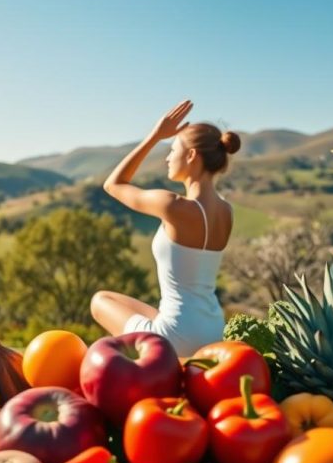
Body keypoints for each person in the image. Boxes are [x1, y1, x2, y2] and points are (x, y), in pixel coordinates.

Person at [90, 100, 240, 355]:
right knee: (151, 309)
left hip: (174, 339)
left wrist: (155, 136)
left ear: (191, 155)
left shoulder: (173, 206)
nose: (168, 158)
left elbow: (113, 184)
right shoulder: (226, 211)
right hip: (214, 331)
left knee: (100, 301)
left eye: (172, 150)